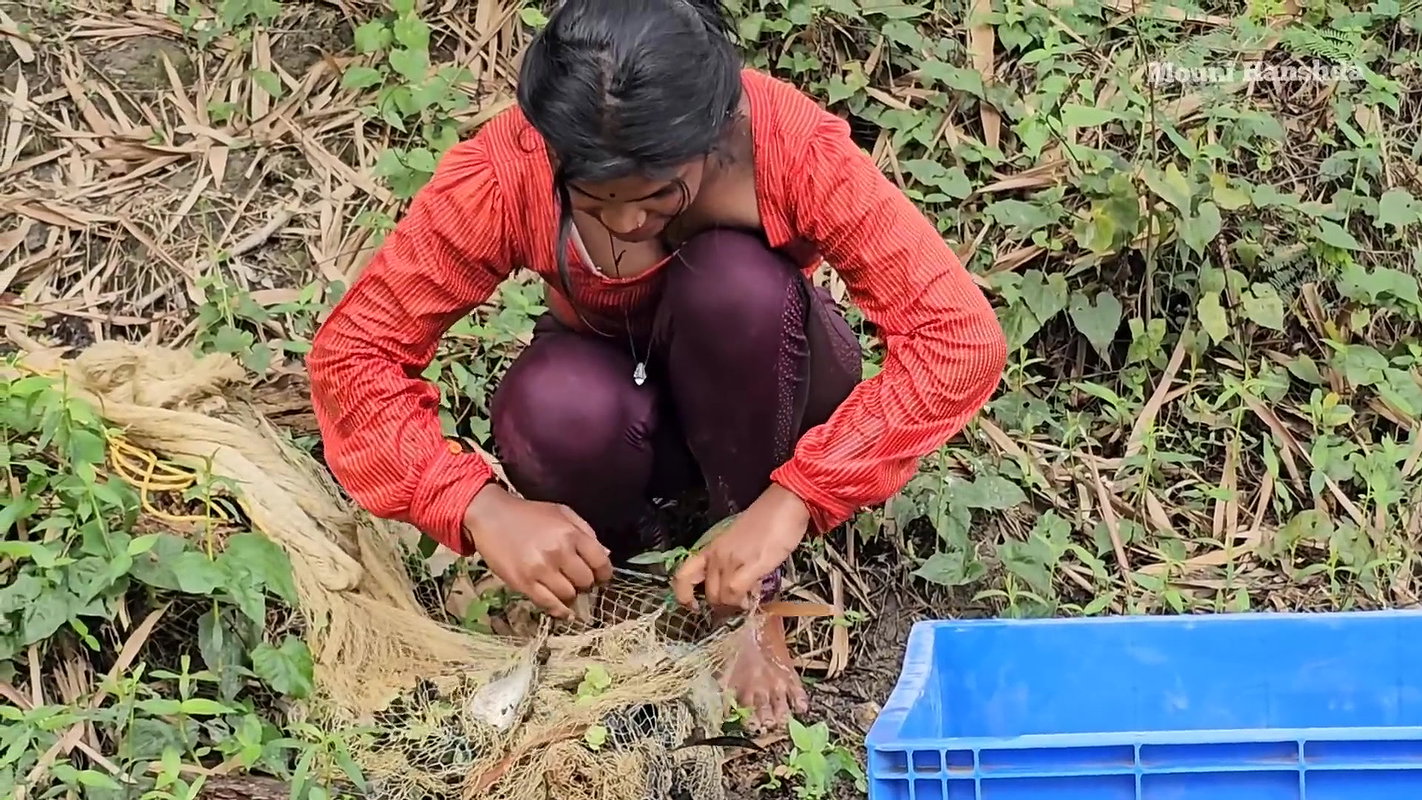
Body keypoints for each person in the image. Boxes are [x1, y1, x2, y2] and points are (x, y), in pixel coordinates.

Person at [306, 0, 1007, 732]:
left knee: (734, 286)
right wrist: (480, 508)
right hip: (621, 398)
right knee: (551, 408)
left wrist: (794, 499)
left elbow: (957, 339)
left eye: (658, 196)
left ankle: (744, 589)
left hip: (771, 377)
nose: (631, 225)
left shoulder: (789, 149)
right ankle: (617, 567)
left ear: (712, 133)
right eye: (596, 203)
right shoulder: (509, 171)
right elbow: (356, 354)